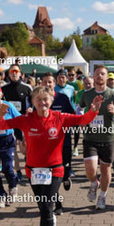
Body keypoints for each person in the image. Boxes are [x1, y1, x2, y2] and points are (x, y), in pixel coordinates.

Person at [0, 87, 103, 226]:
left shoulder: (60, 118)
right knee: (43, 206)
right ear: (33, 102)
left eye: (45, 99)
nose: (42, 102)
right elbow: (2, 125)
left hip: (55, 170)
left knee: (45, 206)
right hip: (33, 171)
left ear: (51, 101)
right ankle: (51, 219)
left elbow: (83, 119)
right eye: (38, 99)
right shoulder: (26, 119)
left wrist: (94, 110)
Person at [79, 65, 114, 210]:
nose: (100, 76)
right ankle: (94, 183)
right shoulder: (87, 95)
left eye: (103, 74)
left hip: (108, 138)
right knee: (90, 168)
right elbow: (79, 108)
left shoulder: (113, 95)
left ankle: (102, 196)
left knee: (106, 170)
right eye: (97, 74)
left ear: (107, 77)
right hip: (90, 137)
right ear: (93, 76)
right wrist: (81, 118)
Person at [35, 73, 75, 214]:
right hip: (46, 144)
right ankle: (57, 204)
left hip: (64, 141)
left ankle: (66, 176)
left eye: (50, 82)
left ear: (54, 84)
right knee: (51, 174)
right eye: (45, 82)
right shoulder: (37, 100)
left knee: (64, 170)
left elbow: (72, 115)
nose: (47, 84)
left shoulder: (62, 98)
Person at [1, 64, 32, 185]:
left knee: (25, 150)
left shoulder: (27, 88)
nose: (14, 73)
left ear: (20, 74)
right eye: (12, 71)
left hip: (23, 122)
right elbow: (0, 104)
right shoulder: (4, 89)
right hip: (10, 123)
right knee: (12, 150)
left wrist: (31, 109)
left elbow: (33, 103)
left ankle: (29, 169)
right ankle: (18, 172)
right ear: (9, 74)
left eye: (16, 71)